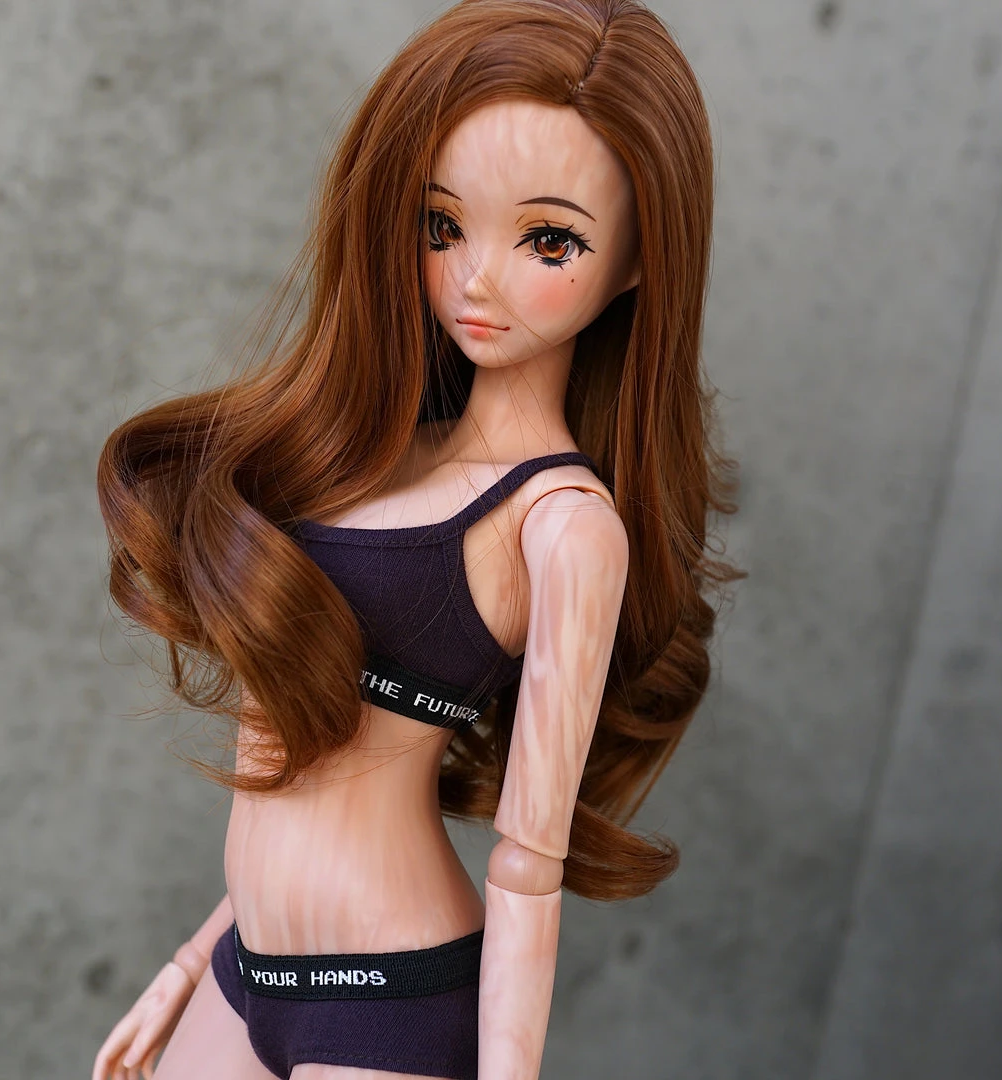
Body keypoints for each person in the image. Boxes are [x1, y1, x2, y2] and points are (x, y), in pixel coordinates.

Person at [91, 1, 739, 1077]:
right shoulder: (370, 451)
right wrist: (186, 964)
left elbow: (527, 866)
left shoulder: (565, 528)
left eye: (549, 240)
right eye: (444, 225)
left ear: (636, 262)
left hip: (391, 995)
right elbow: (297, 767)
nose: (477, 278)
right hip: (247, 970)